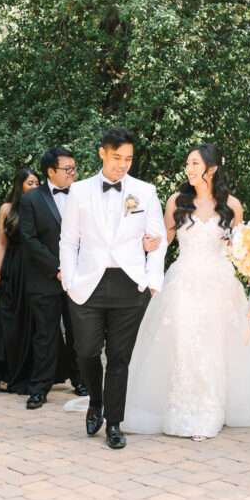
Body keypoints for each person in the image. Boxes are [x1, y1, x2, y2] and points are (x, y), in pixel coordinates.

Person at [124, 144, 250, 440]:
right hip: (183, 283)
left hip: (220, 284)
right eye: (187, 163)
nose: (189, 168)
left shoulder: (232, 205)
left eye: (195, 163)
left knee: (213, 347)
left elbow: (240, 248)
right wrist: (145, 249)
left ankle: (209, 412)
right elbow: (164, 241)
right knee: (185, 344)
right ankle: (184, 411)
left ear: (212, 169)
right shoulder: (177, 201)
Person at [59, 127, 166, 449]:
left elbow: (157, 240)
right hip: (87, 285)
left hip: (130, 285)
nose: (123, 164)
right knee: (86, 351)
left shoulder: (145, 192)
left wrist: (151, 282)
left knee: (120, 358)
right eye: (117, 157)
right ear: (102, 153)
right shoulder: (79, 191)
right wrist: (70, 282)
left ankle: (114, 424)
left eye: (129, 159)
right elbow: (69, 240)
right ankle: (95, 400)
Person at [17, 147, 86, 410]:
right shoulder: (32, 199)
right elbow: (29, 239)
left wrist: (77, 268)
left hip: (79, 278)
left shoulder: (82, 194)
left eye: (74, 168)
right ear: (50, 171)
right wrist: (58, 268)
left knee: (79, 334)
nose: (73, 173)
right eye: (67, 169)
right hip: (45, 278)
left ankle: (81, 380)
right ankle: (39, 388)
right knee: (45, 335)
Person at [0, 167, 39, 392]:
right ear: (20, 186)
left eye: (37, 183)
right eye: (30, 183)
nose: (35, 187)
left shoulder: (40, 206)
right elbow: (1, 242)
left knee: (32, 321)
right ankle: (5, 371)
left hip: (34, 269)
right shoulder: (7, 209)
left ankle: (31, 372)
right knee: (7, 319)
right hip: (12, 269)